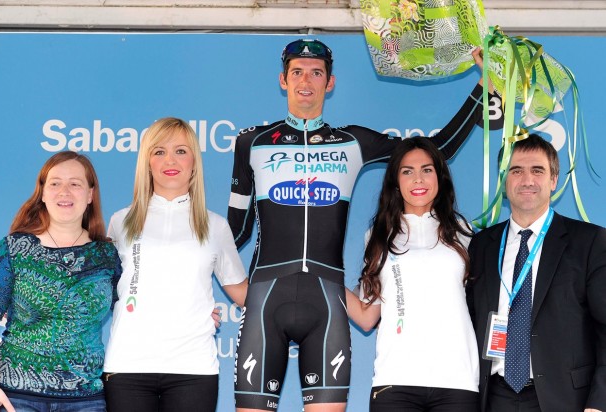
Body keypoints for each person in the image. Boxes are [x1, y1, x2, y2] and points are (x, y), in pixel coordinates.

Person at [228, 38, 496, 412]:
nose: (306, 80)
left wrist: (484, 87)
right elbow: (234, 232)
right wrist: (214, 283)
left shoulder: (352, 141)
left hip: (327, 302)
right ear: (283, 80)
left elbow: (437, 149)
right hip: (265, 297)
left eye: (316, 73)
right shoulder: (251, 143)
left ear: (330, 83)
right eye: (297, 72)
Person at [102, 117, 248, 412]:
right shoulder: (120, 221)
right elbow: (103, 290)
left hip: (194, 369)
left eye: (181, 151)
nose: (170, 160)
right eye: (159, 151)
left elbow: (245, 295)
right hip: (127, 365)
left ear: (194, 162)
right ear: (147, 163)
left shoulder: (216, 226)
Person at [465, 133, 606, 412]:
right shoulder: (481, 246)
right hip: (494, 398)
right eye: (516, 170)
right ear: (504, 180)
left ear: (553, 180)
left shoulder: (589, 242)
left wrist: (599, 403)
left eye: (537, 170)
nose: (527, 180)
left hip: (566, 400)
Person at [345, 137, 479, 411]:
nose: (418, 179)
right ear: (396, 181)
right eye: (407, 171)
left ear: (440, 177)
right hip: (395, 380)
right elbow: (367, 316)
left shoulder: (464, 232)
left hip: (458, 380)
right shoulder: (378, 236)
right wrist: (322, 274)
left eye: (427, 170)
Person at [0, 151, 122, 412]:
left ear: (90, 194)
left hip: (86, 400)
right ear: (43, 193)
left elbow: (132, 312)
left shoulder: (106, 256)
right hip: (16, 398)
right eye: (55, 183)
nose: (64, 191)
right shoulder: (14, 249)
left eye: (75, 183)